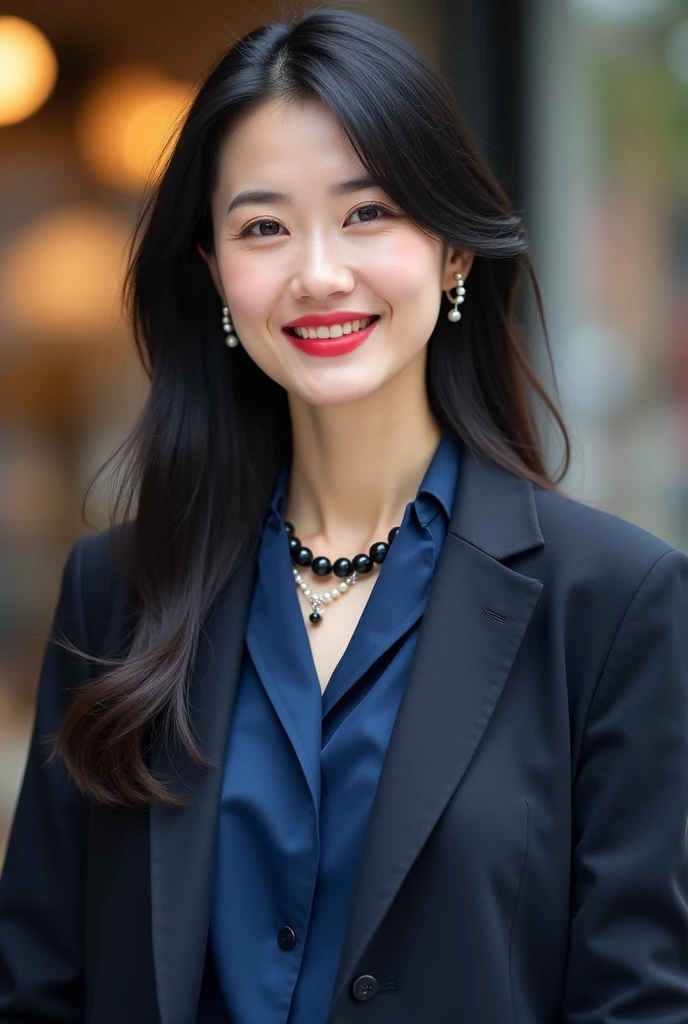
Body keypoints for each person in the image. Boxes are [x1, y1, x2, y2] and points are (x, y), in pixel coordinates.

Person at [1, 7, 687, 1023]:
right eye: (263, 226)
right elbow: (39, 989)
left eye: (367, 213)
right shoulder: (117, 592)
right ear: (214, 276)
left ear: (454, 251)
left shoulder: (613, 604)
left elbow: (637, 1005)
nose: (318, 271)